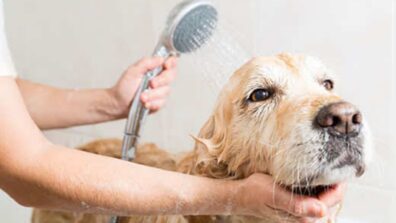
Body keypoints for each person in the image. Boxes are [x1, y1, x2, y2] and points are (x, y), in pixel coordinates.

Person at [0, 1, 344, 222]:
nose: (340, 115)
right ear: (219, 160)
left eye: (326, 84)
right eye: (262, 94)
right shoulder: (219, 180)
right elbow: (22, 168)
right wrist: (232, 198)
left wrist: (109, 101)